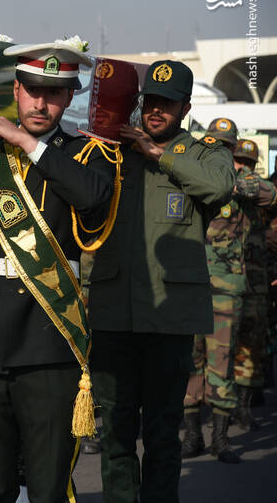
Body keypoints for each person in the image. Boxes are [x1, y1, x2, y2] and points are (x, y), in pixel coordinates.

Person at [0, 40, 114, 502]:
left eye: (54, 93)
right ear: (15, 90)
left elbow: (92, 197)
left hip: (49, 343)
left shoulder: (86, 155)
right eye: (32, 91)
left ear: (69, 98)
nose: (40, 103)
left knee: (48, 488)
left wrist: (28, 144)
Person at [88, 60, 235, 502]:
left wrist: (160, 155)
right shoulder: (115, 151)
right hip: (114, 313)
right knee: (115, 433)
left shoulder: (205, 153)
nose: (156, 111)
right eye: (150, 101)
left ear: (185, 108)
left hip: (170, 318)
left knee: (162, 433)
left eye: (167, 104)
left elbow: (219, 188)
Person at [182, 118, 246, 464]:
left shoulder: (239, 182)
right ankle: (193, 436)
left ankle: (220, 439)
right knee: (190, 362)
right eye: (214, 142)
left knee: (221, 361)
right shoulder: (194, 174)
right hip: (191, 284)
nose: (219, 148)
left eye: (225, 145)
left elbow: (268, 192)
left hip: (224, 289)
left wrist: (231, 176)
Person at [230, 138, 277, 431]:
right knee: (218, 343)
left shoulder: (261, 192)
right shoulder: (222, 188)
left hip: (256, 278)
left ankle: (243, 406)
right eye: (239, 161)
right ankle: (222, 403)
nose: (242, 167)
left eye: (248, 163)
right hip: (223, 278)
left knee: (252, 340)